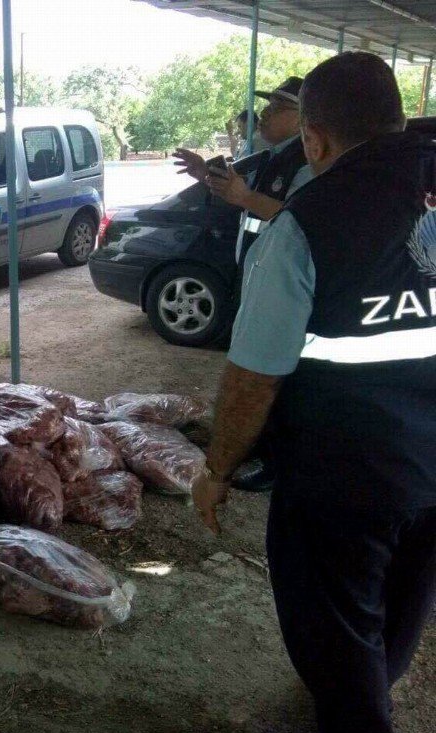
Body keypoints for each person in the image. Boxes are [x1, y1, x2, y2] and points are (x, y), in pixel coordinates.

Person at [192, 52, 436, 733]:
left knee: (334, 630)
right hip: (430, 470)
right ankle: (361, 704)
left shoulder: (306, 223)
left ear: (315, 140)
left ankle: (358, 728)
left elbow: (253, 377)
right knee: (401, 605)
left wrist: (217, 471)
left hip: (342, 483)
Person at [174, 77, 310, 493]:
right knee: (251, 358)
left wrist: (244, 197)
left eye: (277, 108)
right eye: (267, 106)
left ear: (304, 119)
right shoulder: (271, 154)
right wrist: (207, 174)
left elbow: (300, 216)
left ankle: (275, 461)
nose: (265, 114)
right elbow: (238, 187)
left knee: (272, 371)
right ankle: (253, 443)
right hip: (254, 272)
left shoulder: (307, 161)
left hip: (279, 279)